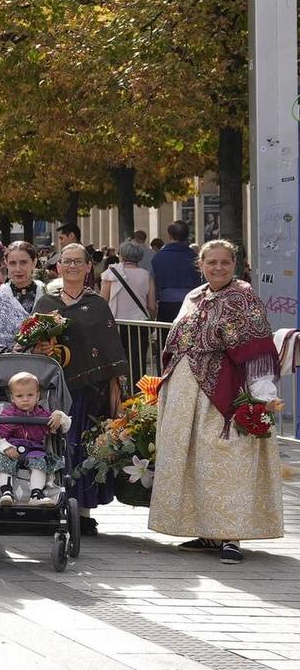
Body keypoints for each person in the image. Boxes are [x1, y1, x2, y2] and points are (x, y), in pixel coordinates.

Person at [150, 240, 282, 564]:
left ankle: (231, 535)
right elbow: (178, 340)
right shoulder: (194, 297)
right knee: (196, 460)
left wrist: (260, 396)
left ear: (234, 263)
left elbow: (255, 350)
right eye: (212, 262)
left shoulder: (243, 297)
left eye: (225, 262)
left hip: (224, 391)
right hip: (186, 393)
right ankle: (206, 529)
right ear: (201, 264)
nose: (218, 268)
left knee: (226, 461)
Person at [32, 242, 129, 523]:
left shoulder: (97, 305)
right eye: (66, 261)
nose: (72, 266)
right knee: (53, 444)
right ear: (57, 267)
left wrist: (114, 389)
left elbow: (110, 348)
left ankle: (81, 511)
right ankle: (49, 501)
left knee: (82, 445)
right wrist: (39, 349)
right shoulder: (46, 302)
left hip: (90, 390)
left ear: (89, 267)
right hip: (52, 388)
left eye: (78, 262)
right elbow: (27, 342)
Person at [0, 371, 69, 506]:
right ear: (12, 398)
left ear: (38, 396)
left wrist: (59, 416)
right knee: (3, 461)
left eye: (30, 395)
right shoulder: (8, 414)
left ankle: (36, 494)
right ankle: (6, 492)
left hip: (34, 449)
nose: (25, 399)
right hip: (12, 449)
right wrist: (6, 447)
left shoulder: (43, 414)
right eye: (20, 396)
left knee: (40, 463)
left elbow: (64, 428)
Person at [0, 242, 44, 358]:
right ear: (6, 265)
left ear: (34, 263)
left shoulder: (46, 293)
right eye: (13, 263)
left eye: (23, 262)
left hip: (48, 367)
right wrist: (25, 352)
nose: (18, 269)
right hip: (10, 369)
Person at [105, 238, 158, 376]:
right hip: (140, 324)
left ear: (121, 254)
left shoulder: (111, 273)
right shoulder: (146, 275)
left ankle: (119, 392)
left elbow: (103, 301)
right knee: (137, 362)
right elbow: (151, 305)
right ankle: (136, 391)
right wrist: (151, 321)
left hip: (115, 323)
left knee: (116, 361)